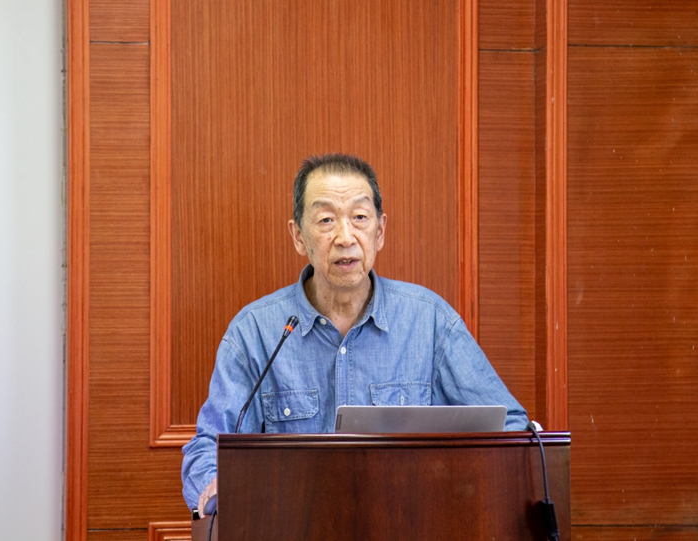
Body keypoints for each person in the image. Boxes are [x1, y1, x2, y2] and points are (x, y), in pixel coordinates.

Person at [181, 153, 528, 516]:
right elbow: (209, 446)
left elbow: (511, 426)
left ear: (380, 231)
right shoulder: (255, 332)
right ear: (298, 236)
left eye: (359, 217)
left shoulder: (430, 322)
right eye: (326, 220)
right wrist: (214, 484)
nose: (345, 238)